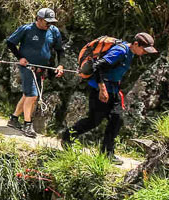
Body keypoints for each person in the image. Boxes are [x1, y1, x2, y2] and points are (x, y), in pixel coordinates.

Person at [61, 32, 158, 164]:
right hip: (100, 89)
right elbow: (97, 66)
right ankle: (67, 136)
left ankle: (107, 153)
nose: (145, 53)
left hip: (113, 90)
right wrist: (102, 88)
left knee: (117, 118)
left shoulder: (130, 53)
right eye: (144, 49)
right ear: (136, 44)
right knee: (94, 120)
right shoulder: (120, 51)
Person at [4, 8, 66, 137]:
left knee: (28, 95)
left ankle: (14, 119)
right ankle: (28, 124)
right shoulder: (26, 29)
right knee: (33, 96)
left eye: (52, 22)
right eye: (47, 22)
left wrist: (60, 65)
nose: (49, 25)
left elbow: (60, 50)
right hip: (27, 67)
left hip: (40, 68)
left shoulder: (54, 31)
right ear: (39, 19)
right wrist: (20, 57)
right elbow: (10, 42)